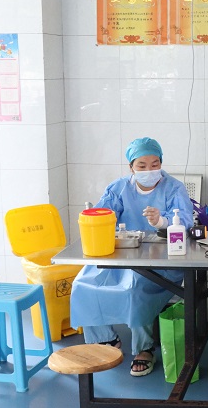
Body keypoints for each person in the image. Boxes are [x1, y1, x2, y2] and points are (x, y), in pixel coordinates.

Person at [70, 137, 193, 377]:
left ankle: (144, 349)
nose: (149, 170)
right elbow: (103, 215)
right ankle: (105, 339)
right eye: (142, 165)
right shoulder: (118, 188)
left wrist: (162, 221)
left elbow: (186, 221)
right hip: (121, 256)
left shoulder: (174, 188)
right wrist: (96, 220)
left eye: (155, 164)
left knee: (136, 288)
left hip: (161, 260)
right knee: (83, 284)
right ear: (131, 167)